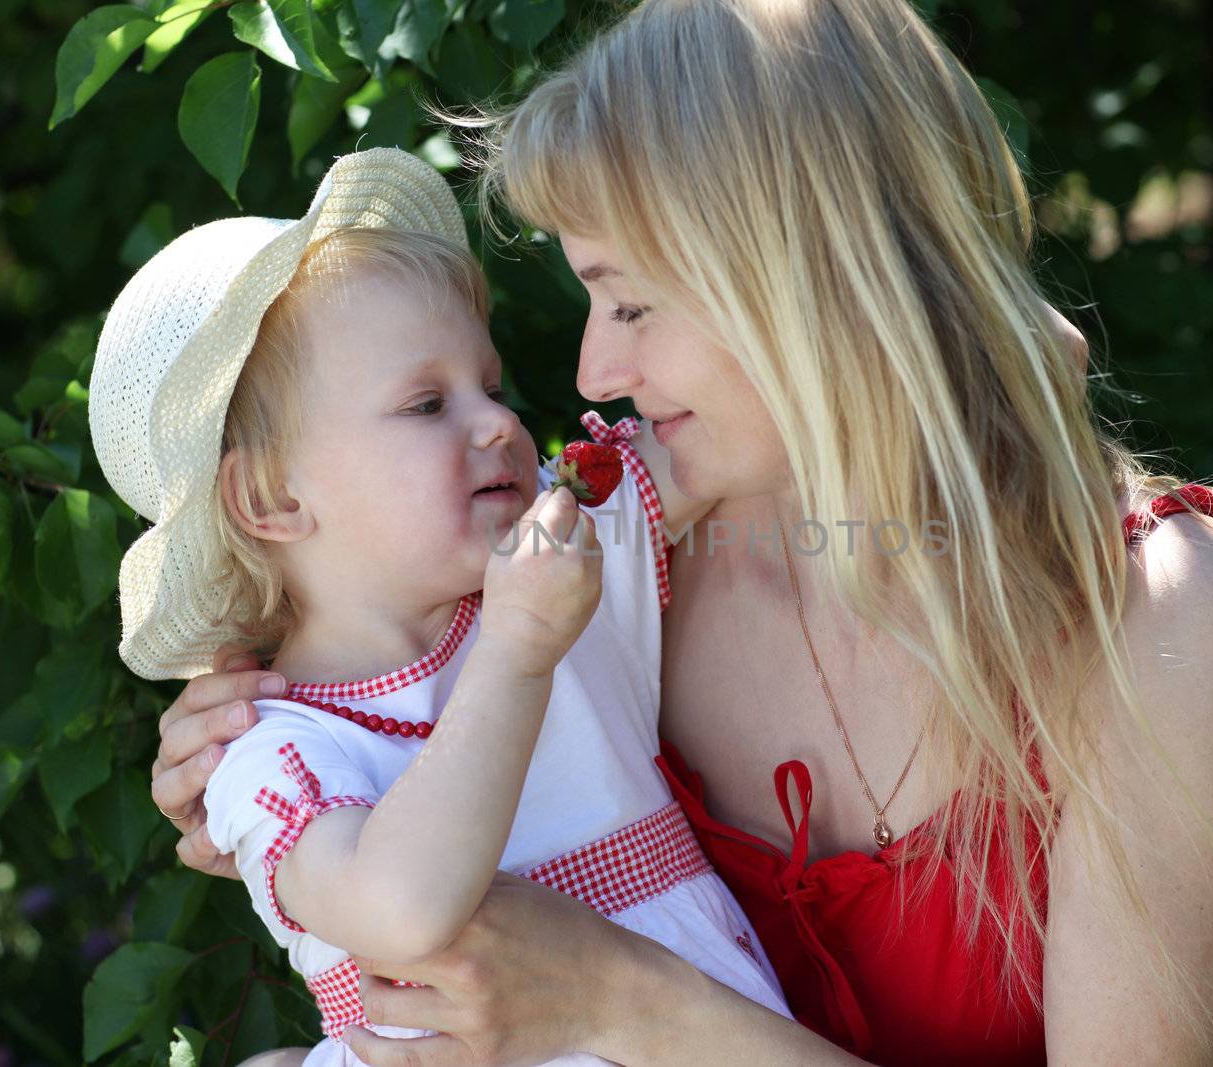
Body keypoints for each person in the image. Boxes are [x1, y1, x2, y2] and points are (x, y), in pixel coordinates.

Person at [147, 0, 1213, 1063]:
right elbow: (378, 669)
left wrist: (622, 999)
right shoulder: (627, 575)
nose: (593, 368)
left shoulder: (1159, 610)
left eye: (633, 301)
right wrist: (247, 728)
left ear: (802, 279)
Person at [91, 147, 791, 1067]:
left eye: (490, 387)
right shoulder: (272, 752)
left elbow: (764, 407)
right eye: (426, 404)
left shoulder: (563, 544)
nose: (499, 422)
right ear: (271, 500)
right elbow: (403, 909)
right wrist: (518, 649)